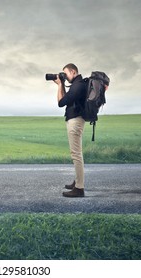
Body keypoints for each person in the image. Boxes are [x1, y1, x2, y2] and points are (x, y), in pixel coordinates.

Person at [54, 63, 87, 197]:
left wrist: (60, 85)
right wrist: (62, 84)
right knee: (76, 153)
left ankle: (79, 188)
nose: (65, 77)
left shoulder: (78, 86)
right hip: (75, 119)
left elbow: (61, 102)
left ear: (73, 72)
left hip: (75, 121)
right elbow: (67, 100)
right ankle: (78, 182)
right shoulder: (77, 85)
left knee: (76, 154)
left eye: (66, 74)